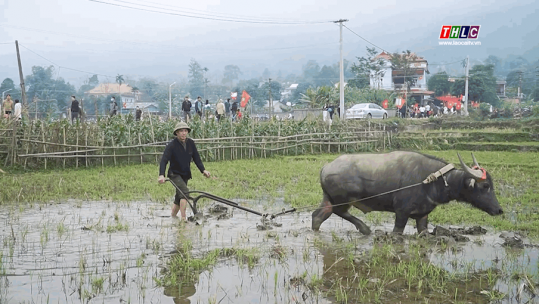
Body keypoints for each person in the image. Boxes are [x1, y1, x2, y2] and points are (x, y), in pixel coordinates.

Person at [158, 122, 211, 220]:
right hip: (174, 174)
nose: (183, 133)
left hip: (185, 174)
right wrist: (161, 175)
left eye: (185, 131)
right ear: (177, 133)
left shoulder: (190, 143)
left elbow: (196, 158)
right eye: (181, 131)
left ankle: (173, 217)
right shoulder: (172, 145)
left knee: (179, 197)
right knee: (185, 193)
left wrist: (203, 170)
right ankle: (183, 219)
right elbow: (164, 160)